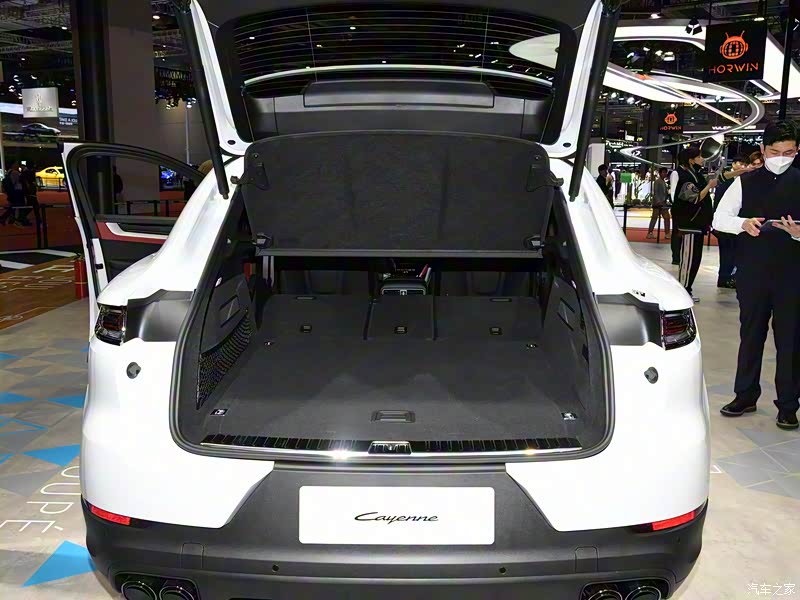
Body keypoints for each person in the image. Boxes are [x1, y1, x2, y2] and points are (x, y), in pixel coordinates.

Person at [714, 121, 800, 430]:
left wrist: (798, 233)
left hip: (793, 275)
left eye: (789, 152)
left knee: (790, 340)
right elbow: (719, 218)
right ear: (763, 150)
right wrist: (743, 224)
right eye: (775, 152)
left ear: (797, 150)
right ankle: (745, 395)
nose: (781, 158)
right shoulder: (744, 182)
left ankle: (788, 405)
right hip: (753, 272)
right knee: (751, 334)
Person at [671, 147, 717, 302]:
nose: (702, 159)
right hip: (689, 224)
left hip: (697, 224)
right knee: (689, 259)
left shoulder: (695, 175)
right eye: (699, 157)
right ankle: (683, 290)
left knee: (695, 259)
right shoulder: (684, 176)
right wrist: (709, 187)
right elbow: (694, 198)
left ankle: (687, 289)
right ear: (691, 160)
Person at [712, 156, 751, 288]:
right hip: (724, 224)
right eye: (741, 163)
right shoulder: (726, 179)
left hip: (736, 224)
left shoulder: (744, 181)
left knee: (733, 253)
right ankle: (724, 278)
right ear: (733, 164)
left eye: (745, 164)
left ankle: (729, 278)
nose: (743, 166)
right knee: (726, 253)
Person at [647, 167, 671, 239]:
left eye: (665, 172)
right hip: (658, 203)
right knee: (655, 218)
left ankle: (667, 233)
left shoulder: (663, 182)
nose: (665, 174)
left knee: (666, 218)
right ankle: (650, 233)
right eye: (663, 172)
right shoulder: (657, 181)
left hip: (663, 203)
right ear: (660, 173)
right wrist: (658, 202)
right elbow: (655, 192)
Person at [0, 162, 26, 227]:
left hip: (13, 192)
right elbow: (14, 182)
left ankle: (8, 218)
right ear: (13, 165)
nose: (18, 166)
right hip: (17, 191)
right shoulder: (15, 173)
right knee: (19, 205)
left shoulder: (9, 172)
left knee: (14, 206)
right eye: (16, 164)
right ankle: (18, 220)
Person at [19, 163, 39, 227]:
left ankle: (22, 217)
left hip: (28, 191)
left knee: (31, 205)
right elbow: (29, 181)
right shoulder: (29, 173)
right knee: (34, 205)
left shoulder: (25, 173)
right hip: (30, 191)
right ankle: (22, 217)